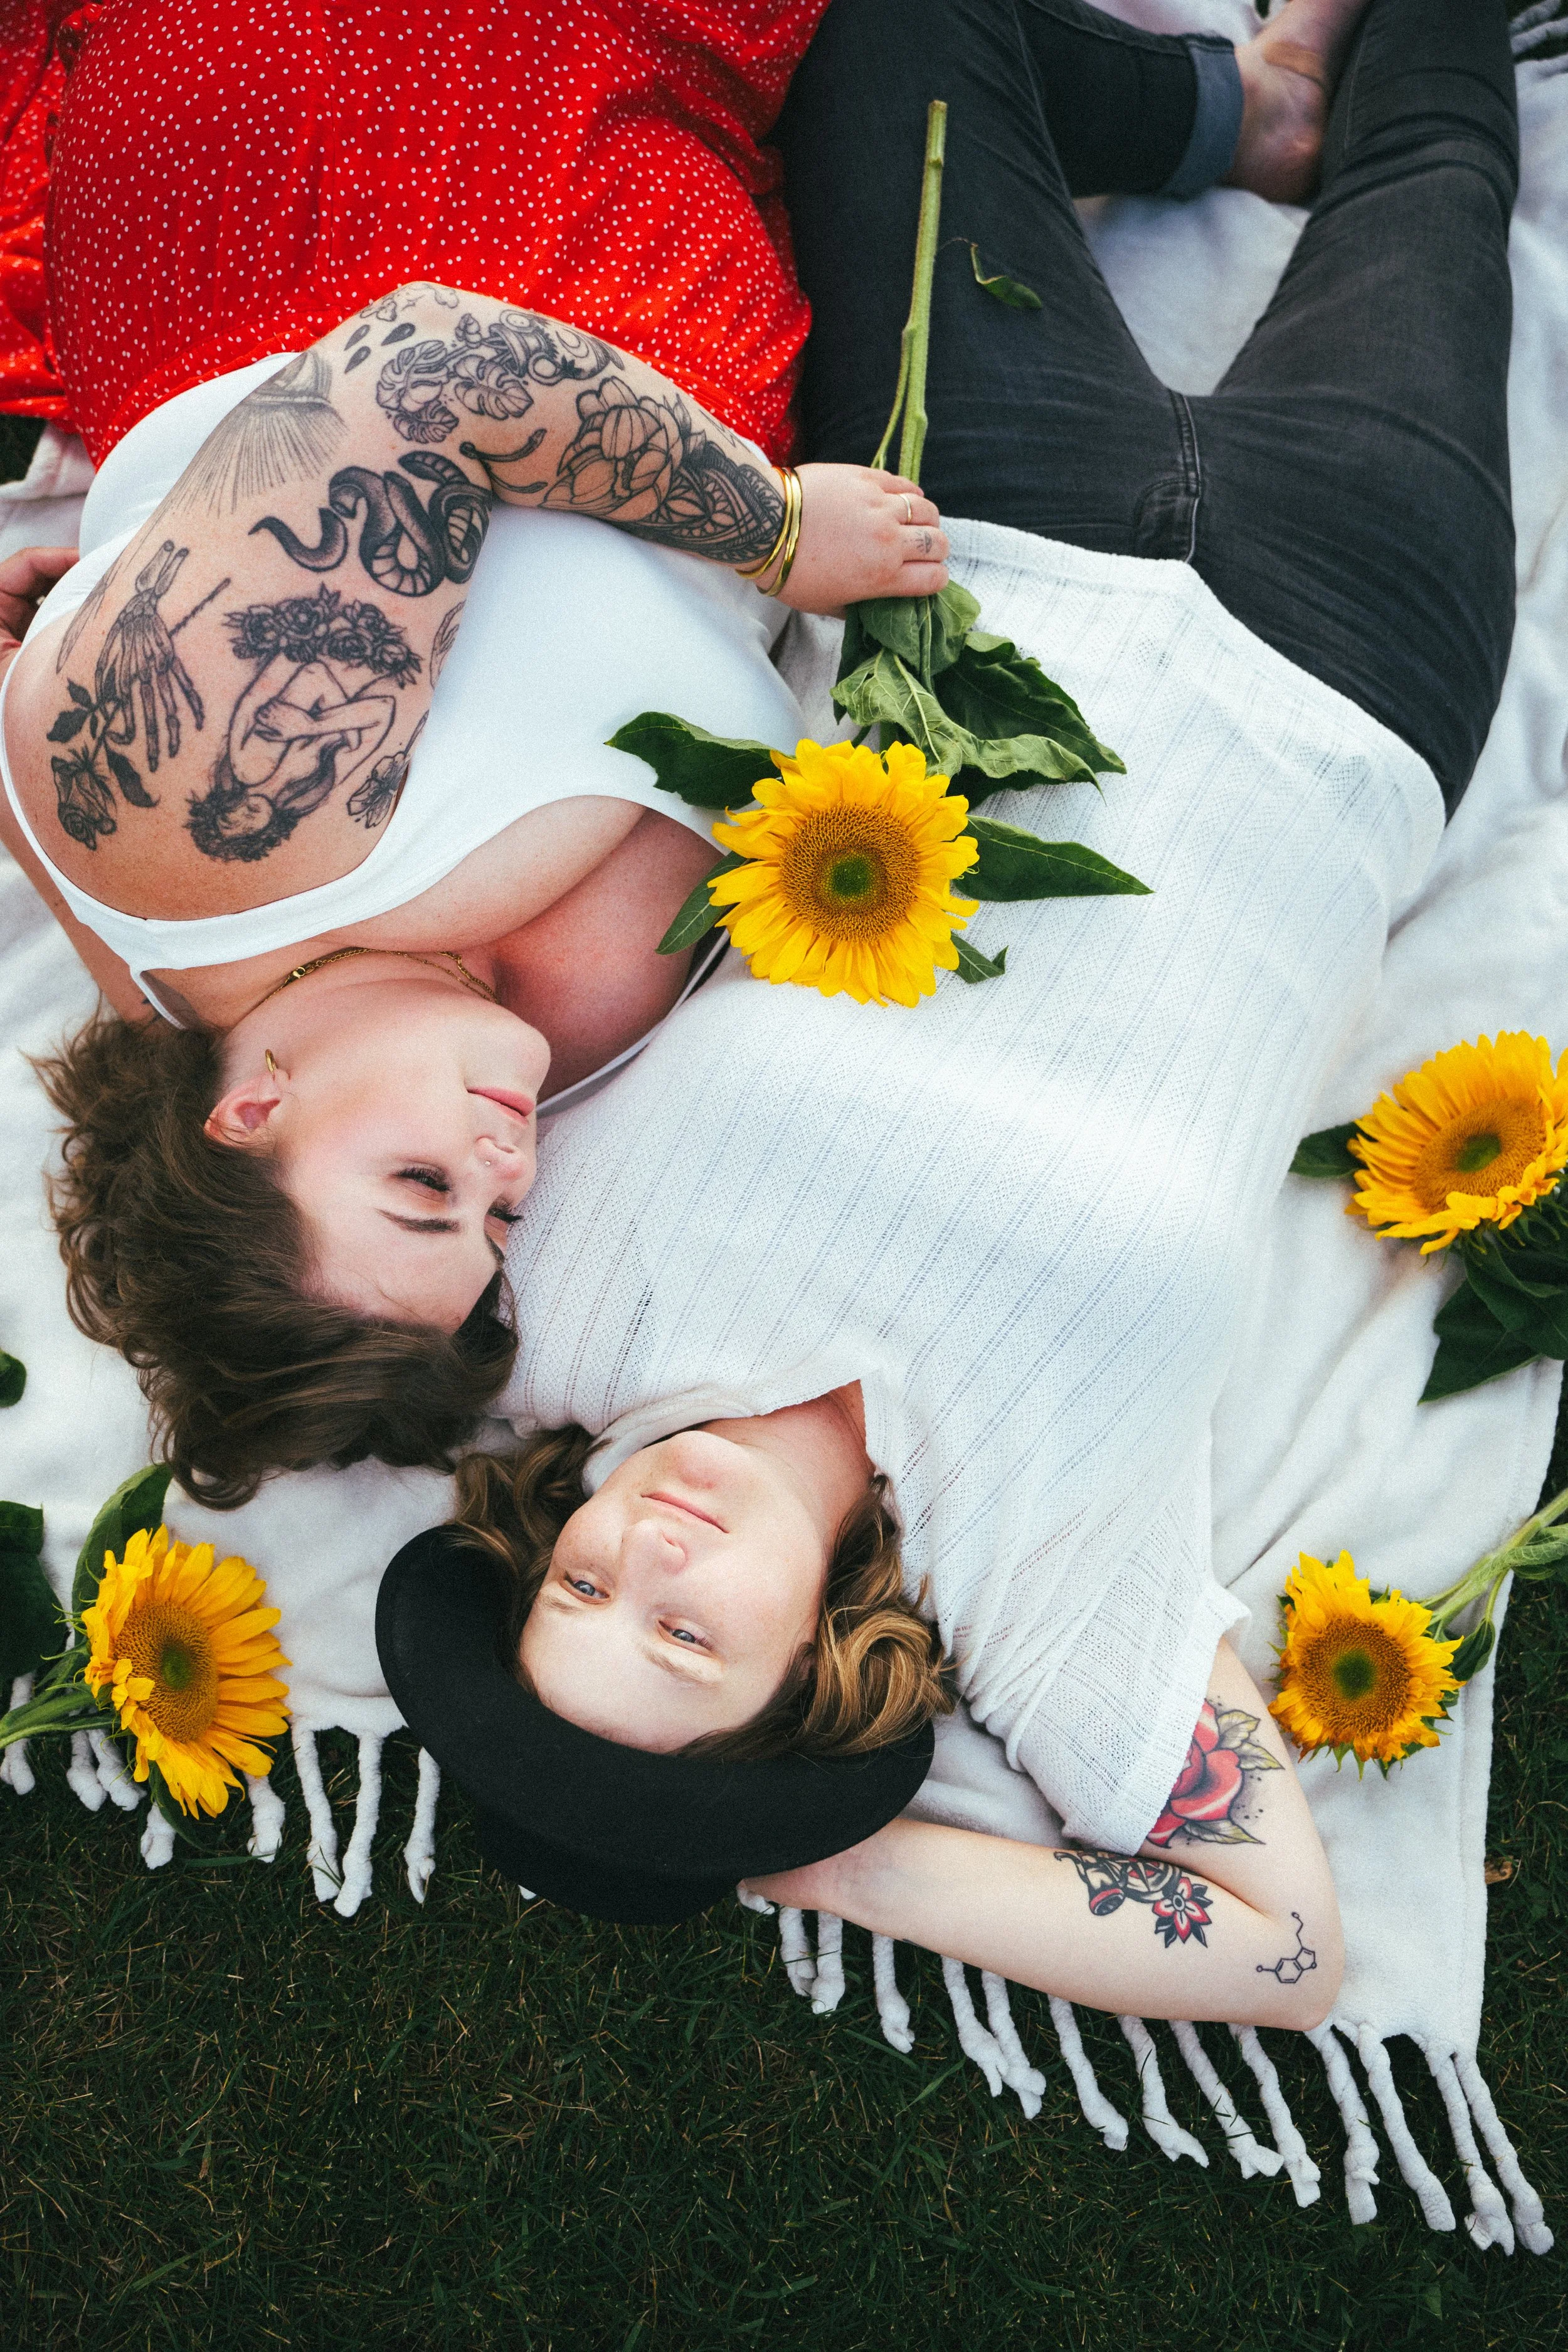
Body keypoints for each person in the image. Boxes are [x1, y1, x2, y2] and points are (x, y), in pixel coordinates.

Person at [378, 0, 1516, 2014]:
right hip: (1353, 650)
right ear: (805, 1677)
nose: (640, 1554)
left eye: (574, 1582)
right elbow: (1277, 1947)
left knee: (900, 28)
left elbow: (314, 1158)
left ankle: (1227, 111)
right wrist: (810, 1850)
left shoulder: (549, 1323)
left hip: (980, 540)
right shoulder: (1042, 1593)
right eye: (684, 1640)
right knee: (1437, 166)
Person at [0, 0, 1371, 1504]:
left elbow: (430, 368)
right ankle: (1237, 110)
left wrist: (775, 533)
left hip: (375, 153)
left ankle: (1240, 112)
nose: (505, 1174)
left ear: (249, 1112)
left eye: (421, 1193)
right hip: (651, 227)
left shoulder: (205, 824)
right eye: (496, 1231)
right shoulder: (329, 1021)